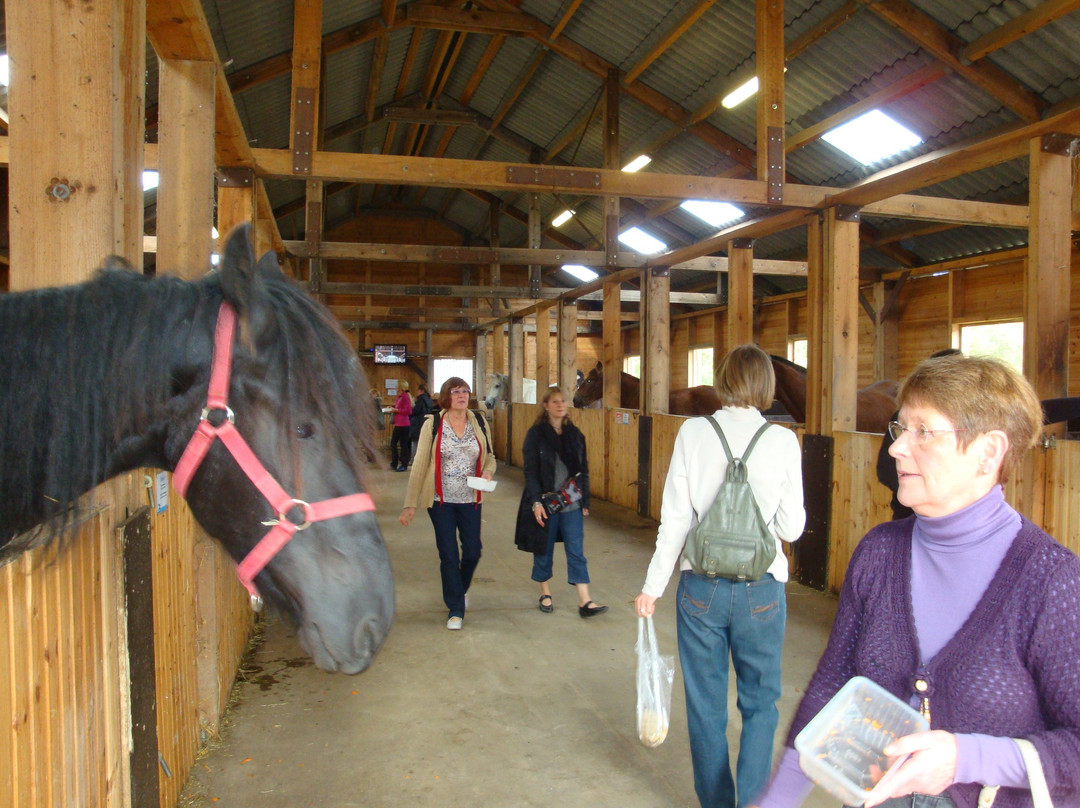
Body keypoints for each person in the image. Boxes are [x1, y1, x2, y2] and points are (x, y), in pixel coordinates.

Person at [755, 353, 1080, 808]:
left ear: (988, 452)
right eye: (900, 428)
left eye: (923, 432)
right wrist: (776, 801)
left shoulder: (1051, 582)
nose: (896, 448)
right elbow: (833, 685)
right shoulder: (878, 552)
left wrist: (968, 758)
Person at [635, 344, 806, 808]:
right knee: (760, 704)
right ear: (766, 384)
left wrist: (652, 587)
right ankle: (754, 802)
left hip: (700, 588)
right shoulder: (783, 439)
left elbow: (674, 522)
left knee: (705, 707)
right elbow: (792, 527)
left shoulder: (693, 432)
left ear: (724, 379)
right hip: (762, 593)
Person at [399, 377, 496, 630]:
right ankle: (455, 609)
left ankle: (458, 589)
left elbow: (491, 458)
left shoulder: (479, 422)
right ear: (446, 396)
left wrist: (487, 473)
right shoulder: (432, 424)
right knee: (449, 554)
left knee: (473, 551)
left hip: (471, 499)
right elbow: (420, 464)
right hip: (440, 500)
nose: (462, 395)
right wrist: (410, 504)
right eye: (455, 392)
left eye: (465, 391)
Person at [514, 386, 607, 617]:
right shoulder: (535, 435)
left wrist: (585, 500)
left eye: (563, 401)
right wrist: (535, 502)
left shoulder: (575, 435)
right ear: (546, 405)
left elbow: (583, 469)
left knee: (576, 549)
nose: (560, 405)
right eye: (555, 401)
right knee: (543, 549)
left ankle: (585, 600)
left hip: (571, 503)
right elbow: (531, 472)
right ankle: (545, 592)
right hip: (546, 503)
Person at [877, 349, 962, 519]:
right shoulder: (902, 419)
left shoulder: (965, 424)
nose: (896, 449)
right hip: (909, 517)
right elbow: (885, 469)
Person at [409, 382, 436, 467]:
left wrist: (410, 412)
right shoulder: (429, 399)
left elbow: (416, 411)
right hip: (425, 421)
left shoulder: (420, 399)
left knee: (415, 442)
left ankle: (413, 460)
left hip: (418, 422)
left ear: (421, 390)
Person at [389, 381, 413, 471]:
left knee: (403, 445)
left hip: (404, 424)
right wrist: (393, 407)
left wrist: (397, 410)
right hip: (398, 423)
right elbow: (399, 407)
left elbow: (408, 411)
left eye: (397, 385)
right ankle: (394, 463)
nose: (395, 387)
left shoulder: (405, 396)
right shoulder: (399, 397)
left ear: (400, 386)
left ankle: (404, 464)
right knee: (393, 443)